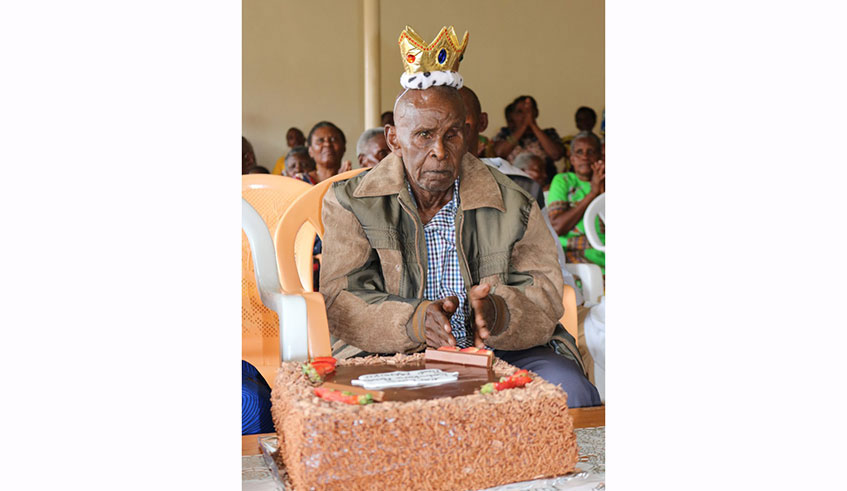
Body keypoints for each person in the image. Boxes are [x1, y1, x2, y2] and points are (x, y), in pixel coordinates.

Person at [320, 25, 600, 407]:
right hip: (389, 353)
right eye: (422, 135)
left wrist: (498, 313)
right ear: (393, 139)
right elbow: (340, 298)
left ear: (469, 134)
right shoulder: (351, 201)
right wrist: (415, 320)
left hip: (502, 351)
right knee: (373, 411)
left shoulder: (513, 201)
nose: (439, 150)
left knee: (573, 392)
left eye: (452, 134)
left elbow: (546, 292)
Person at [459, 86, 544, 208]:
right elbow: (501, 150)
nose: (450, 127)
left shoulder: (519, 185)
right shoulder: (424, 185)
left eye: (461, 116)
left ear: (482, 122)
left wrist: (531, 124)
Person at [548, 131, 605, 272]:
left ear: (600, 156)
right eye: (579, 152)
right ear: (572, 159)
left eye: (590, 151)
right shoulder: (563, 180)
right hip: (575, 253)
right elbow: (557, 226)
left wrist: (602, 189)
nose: (585, 157)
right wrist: (592, 193)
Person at [493, 95, 565, 170]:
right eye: (520, 112)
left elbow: (556, 155)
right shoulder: (505, 133)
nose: (525, 115)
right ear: (513, 115)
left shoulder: (549, 133)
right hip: (512, 180)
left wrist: (533, 125)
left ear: (536, 113)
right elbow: (500, 153)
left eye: (528, 111)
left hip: (544, 180)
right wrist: (524, 126)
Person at [561, 106, 599, 171]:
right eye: (580, 120)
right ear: (576, 123)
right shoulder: (567, 141)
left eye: (587, 119)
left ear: (594, 121)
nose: (584, 122)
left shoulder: (600, 143)